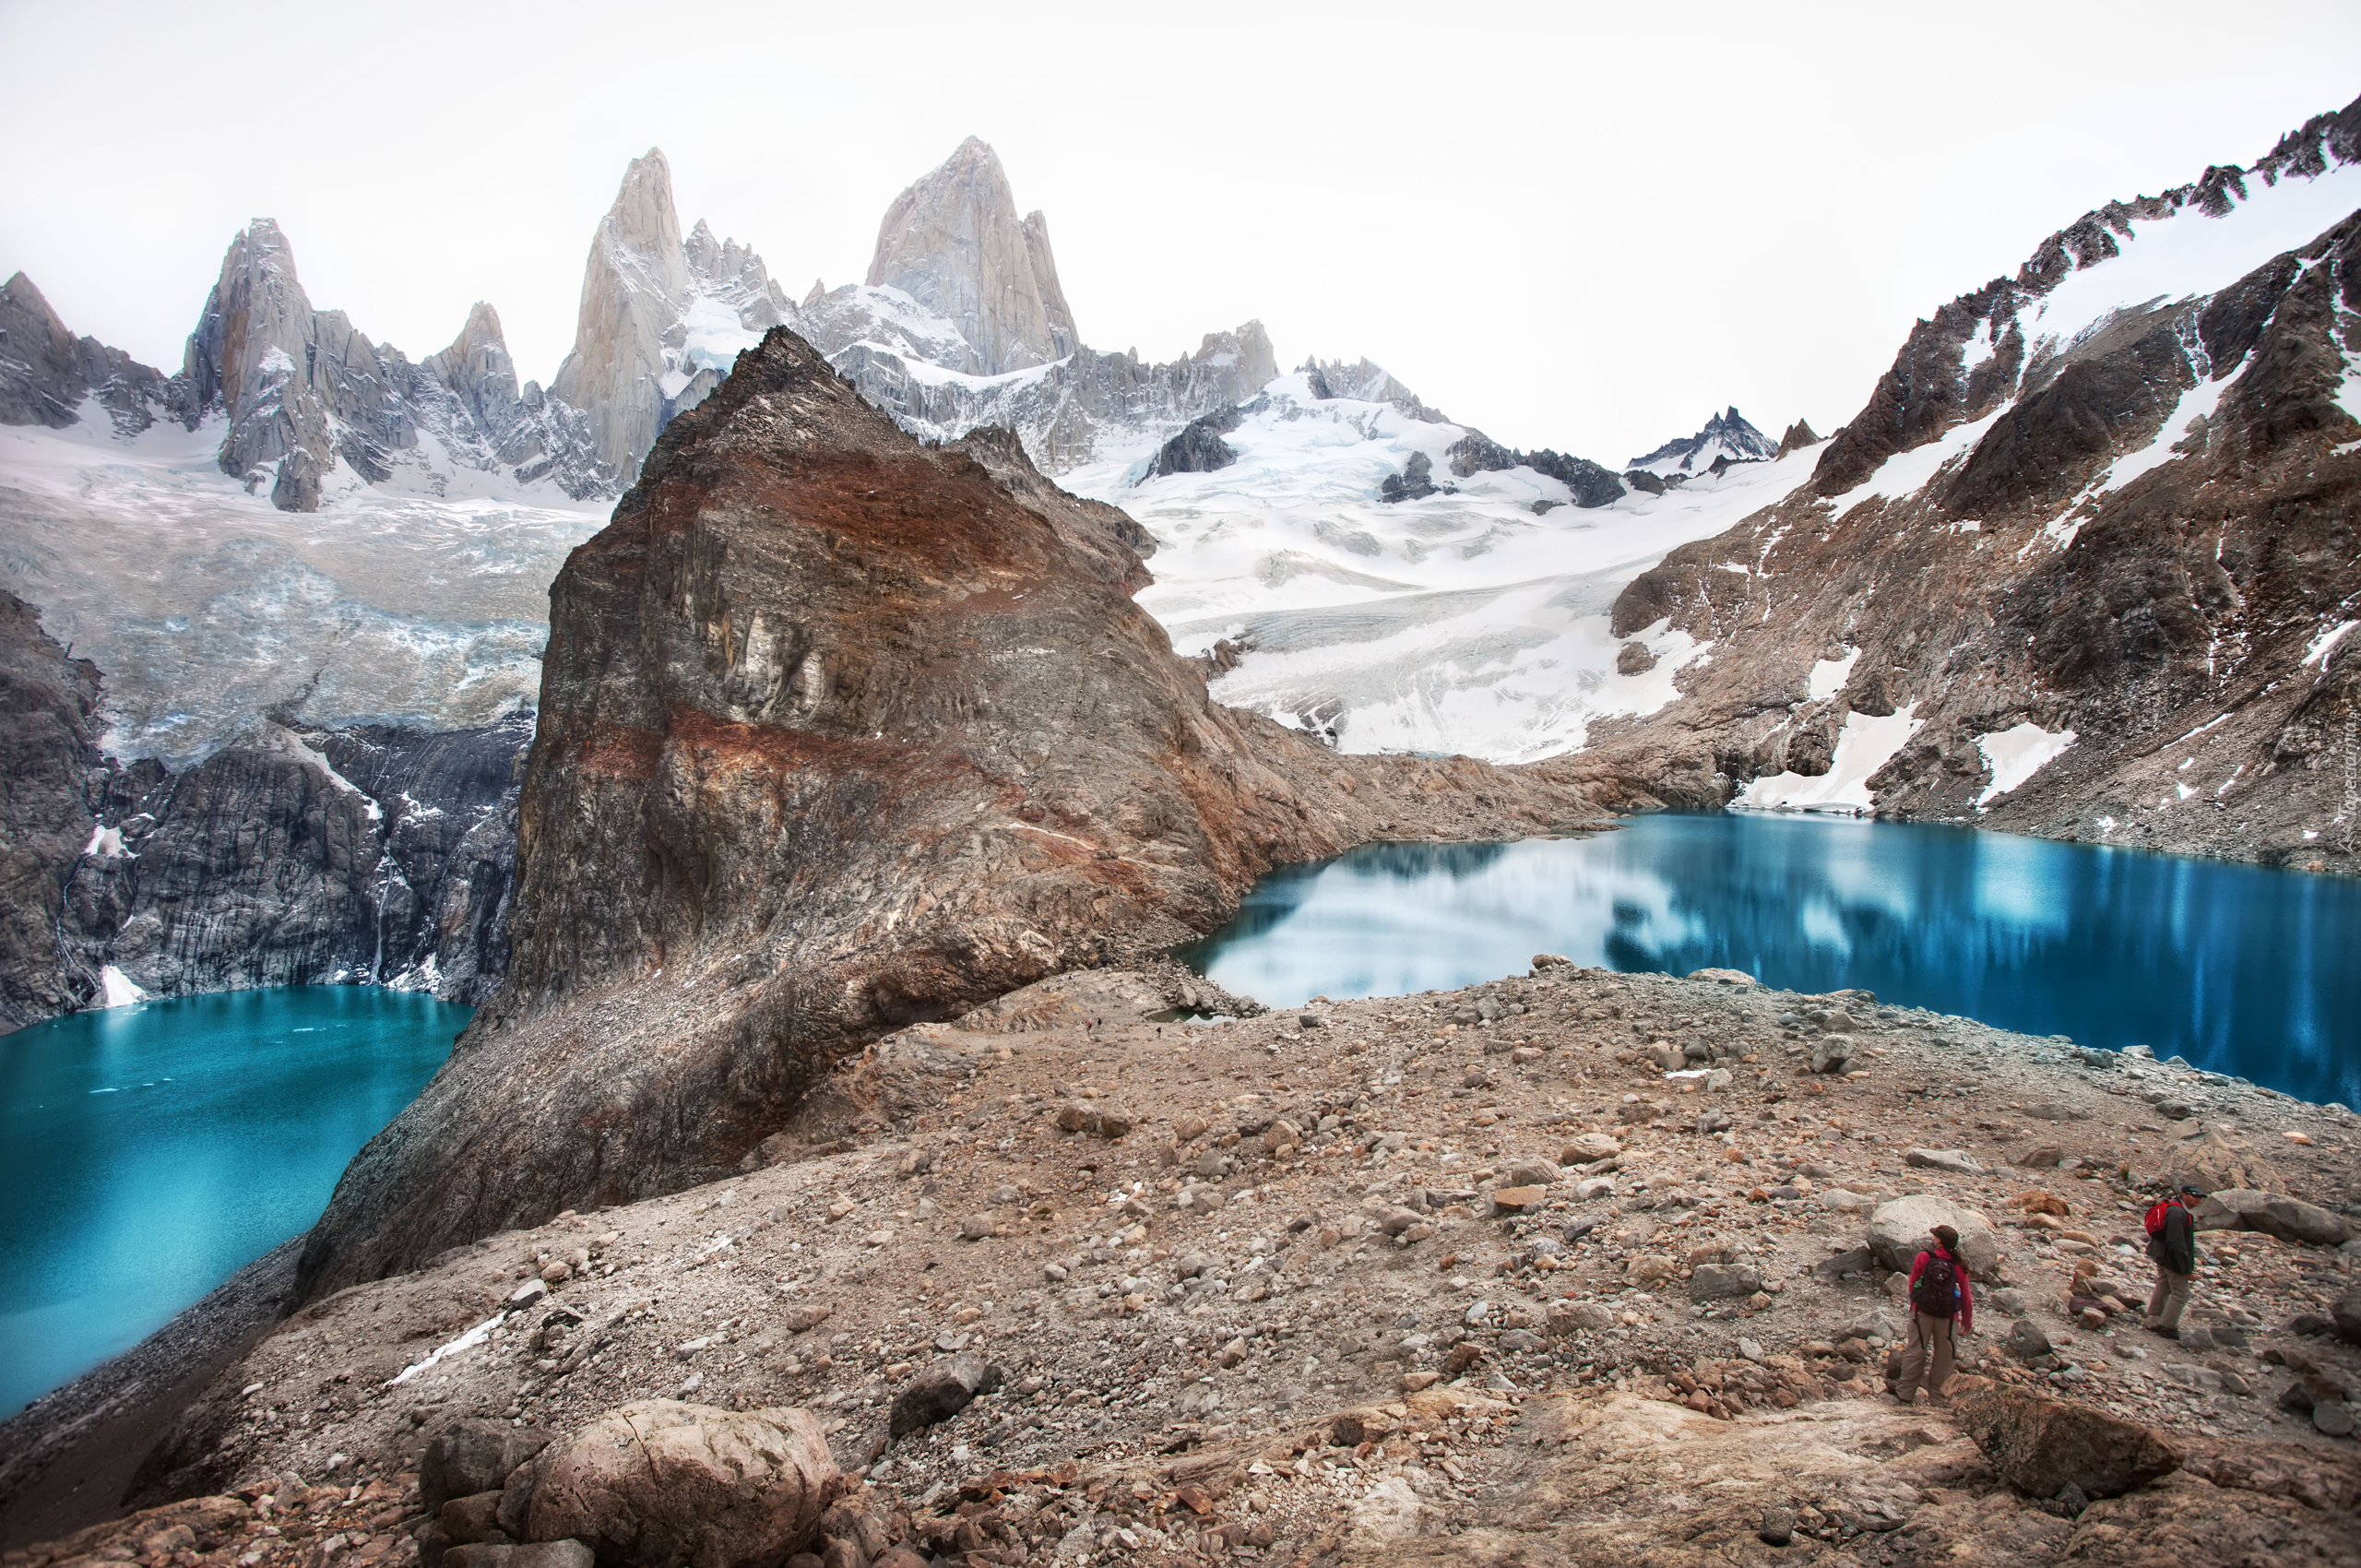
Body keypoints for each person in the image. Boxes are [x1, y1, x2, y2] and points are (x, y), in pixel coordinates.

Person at [1893, 1223, 1975, 1405]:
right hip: (1948, 1319)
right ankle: (1938, 1399)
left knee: (1915, 1351)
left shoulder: (1924, 1257)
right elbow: (1966, 1298)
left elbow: (1913, 1284)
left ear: (1938, 1240)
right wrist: (1967, 1323)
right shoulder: (1959, 1265)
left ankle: (1905, 1395)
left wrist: (1914, 1306)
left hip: (1921, 1313)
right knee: (1945, 1358)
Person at [2144, 1183, 2202, 1337]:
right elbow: (2177, 1242)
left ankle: (2154, 1318)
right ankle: (2167, 1326)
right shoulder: (2178, 1213)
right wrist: (2186, 1269)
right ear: (2184, 1195)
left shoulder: (2173, 1207)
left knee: (2163, 1283)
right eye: (2194, 1196)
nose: (2197, 1199)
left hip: (2161, 1254)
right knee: (2181, 1293)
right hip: (2171, 1258)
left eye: (2199, 1197)